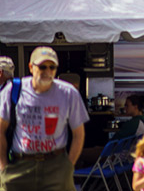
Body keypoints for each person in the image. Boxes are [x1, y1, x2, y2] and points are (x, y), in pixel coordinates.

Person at [0, 46, 89, 191]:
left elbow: (79, 133)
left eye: (52, 67)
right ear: (31, 67)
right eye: (42, 67)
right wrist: (3, 168)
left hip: (55, 164)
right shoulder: (12, 90)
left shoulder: (68, 93)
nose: (47, 72)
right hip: (20, 165)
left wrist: (68, 166)